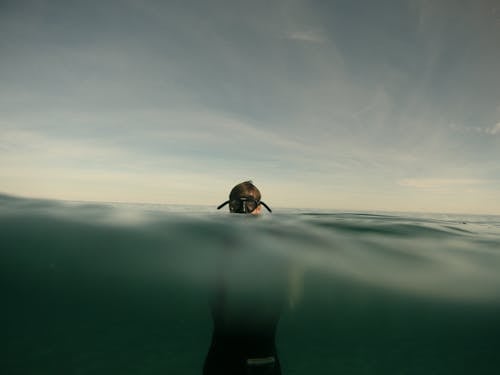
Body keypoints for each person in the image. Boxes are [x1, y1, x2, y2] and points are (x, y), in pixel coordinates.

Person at [204, 181, 282, 375]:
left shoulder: (275, 242)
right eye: (237, 206)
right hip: (235, 357)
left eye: (249, 205)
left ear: (259, 208)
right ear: (230, 207)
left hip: (239, 358)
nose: (243, 212)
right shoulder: (219, 243)